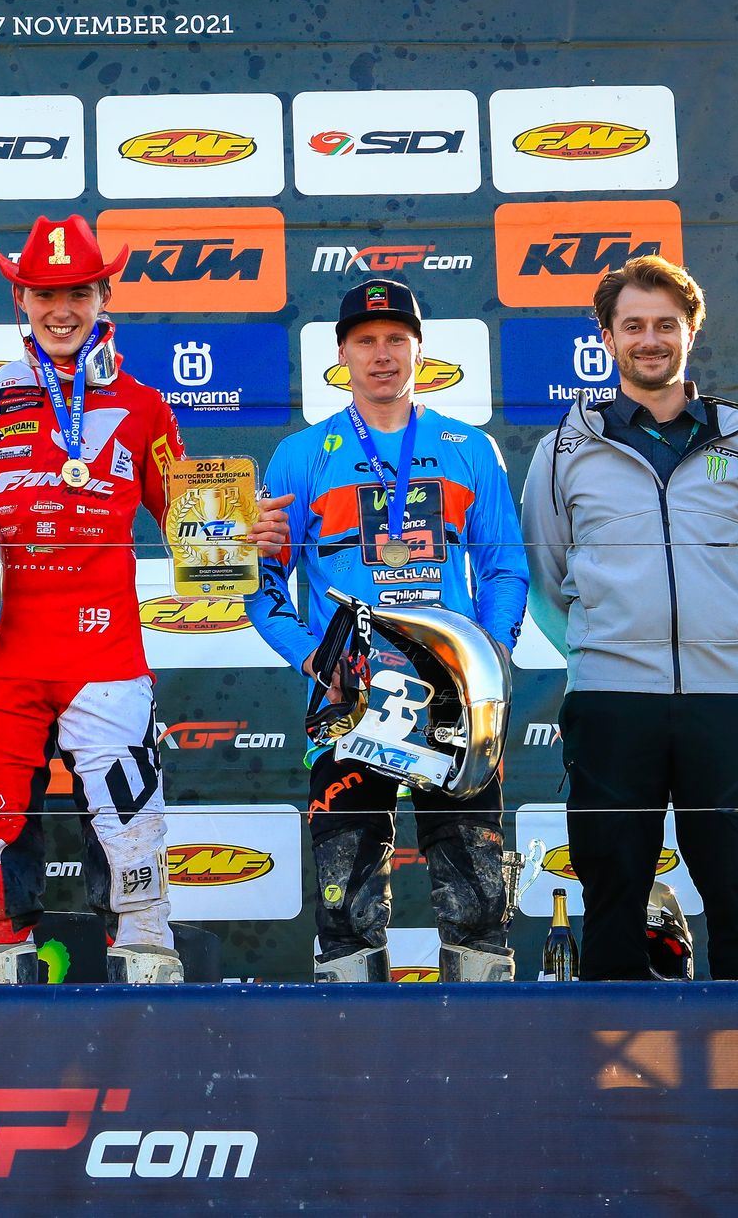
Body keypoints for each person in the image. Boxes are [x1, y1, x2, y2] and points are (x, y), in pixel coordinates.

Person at [0, 215, 289, 984]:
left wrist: (251, 536)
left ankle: (145, 970)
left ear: (104, 295)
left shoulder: (144, 407)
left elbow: (189, 526)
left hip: (105, 657)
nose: (61, 310)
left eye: (76, 292)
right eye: (44, 293)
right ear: (21, 299)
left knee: (131, 830)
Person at [521, 255, 738, 980]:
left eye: (666, 325)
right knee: (613, 898)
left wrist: (729, 642)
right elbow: (547, 579)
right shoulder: (565, 448)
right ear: (608, 337)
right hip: (612, 700)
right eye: (635, 325)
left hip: (727, 698)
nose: (651, 339)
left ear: (690, 332)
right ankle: (612, 1056)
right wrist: (603, 648)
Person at [250, 277, 529, 982]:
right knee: (346, 905)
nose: (382, 354)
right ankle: (352, 1038)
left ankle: (483, 1036)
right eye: (366, 341)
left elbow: (504, 568)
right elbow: (261, 583)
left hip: (452, 700)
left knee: (478, 899)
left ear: (419, 350)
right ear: (341, 354)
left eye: (396, 340)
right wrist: (314, 659)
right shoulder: (301, 455)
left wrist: (488, 658)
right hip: (347, 701)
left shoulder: (471, 448)